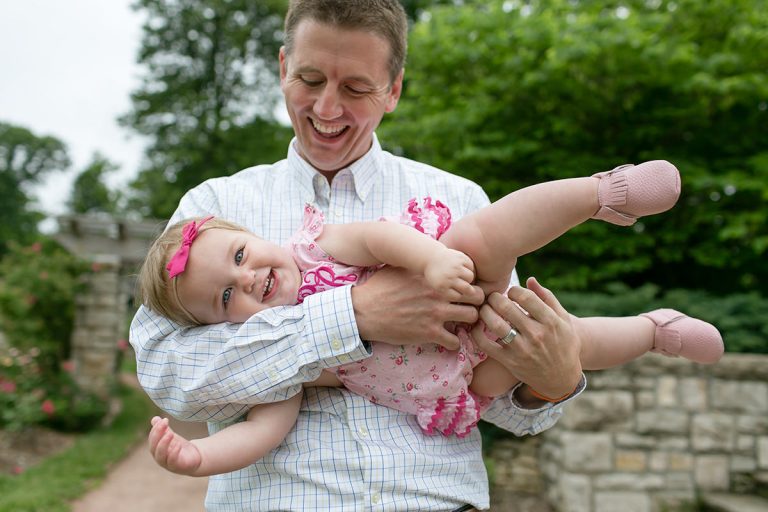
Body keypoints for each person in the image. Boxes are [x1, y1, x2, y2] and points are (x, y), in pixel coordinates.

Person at [128, 0, 643, 509]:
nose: (327, 109)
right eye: (309, 80)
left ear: (393, 89)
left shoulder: (458, 201)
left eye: (355, 88)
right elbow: (168, 372)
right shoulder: (214, 210)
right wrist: (353, 316)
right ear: (283, 67)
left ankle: (605, 208)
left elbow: (499, 393)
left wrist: (549, 385)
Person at [139, 166, 723, 476]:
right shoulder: (284, 368)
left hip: (454, 280)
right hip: (460, 378)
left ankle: (603, 192)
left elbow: (376, 237)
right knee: (583, 337)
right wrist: (198, 460)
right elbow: (258, 431)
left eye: (240, 258)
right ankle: (657, 330)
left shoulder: (316, 246)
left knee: (482, 239)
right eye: (224, 299)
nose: (245, 281)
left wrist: (434, 259)